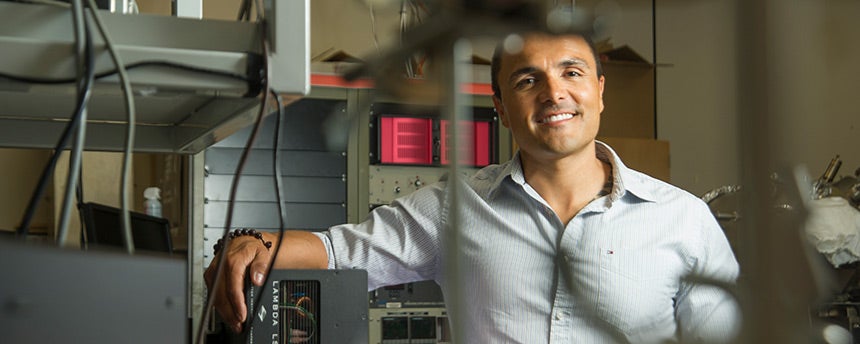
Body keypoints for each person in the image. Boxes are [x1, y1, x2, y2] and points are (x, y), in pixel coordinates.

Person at [205, 31, 740, 343]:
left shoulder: (683, 220)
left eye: (573, 73)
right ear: (503, 108)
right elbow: (338, 251)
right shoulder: (452, 210)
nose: (555, 93)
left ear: (599, 92)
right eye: (528, 79)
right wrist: (251, 241)